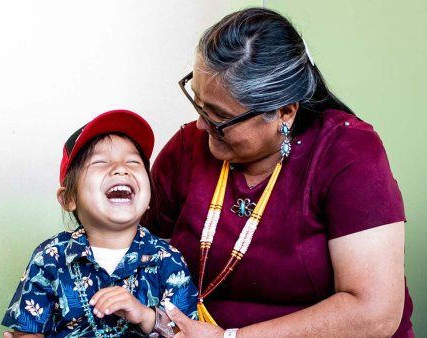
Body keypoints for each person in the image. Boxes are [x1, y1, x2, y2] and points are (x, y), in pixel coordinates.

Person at [144, 8, 413, 338]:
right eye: (198, 103)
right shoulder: (189, 146)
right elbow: (138, 253)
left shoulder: (349, 153)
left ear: (284, 112)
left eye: (217, 115)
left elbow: (373, 314)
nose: (200, 124)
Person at [1, 110, 198, 337]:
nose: (121, 168)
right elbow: (27, 331)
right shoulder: (50, 258)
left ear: (150, 198)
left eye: (133, 162)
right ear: (69, 199)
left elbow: (188, 332)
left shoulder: (168, 260)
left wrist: (146, 315)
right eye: (101, 162)